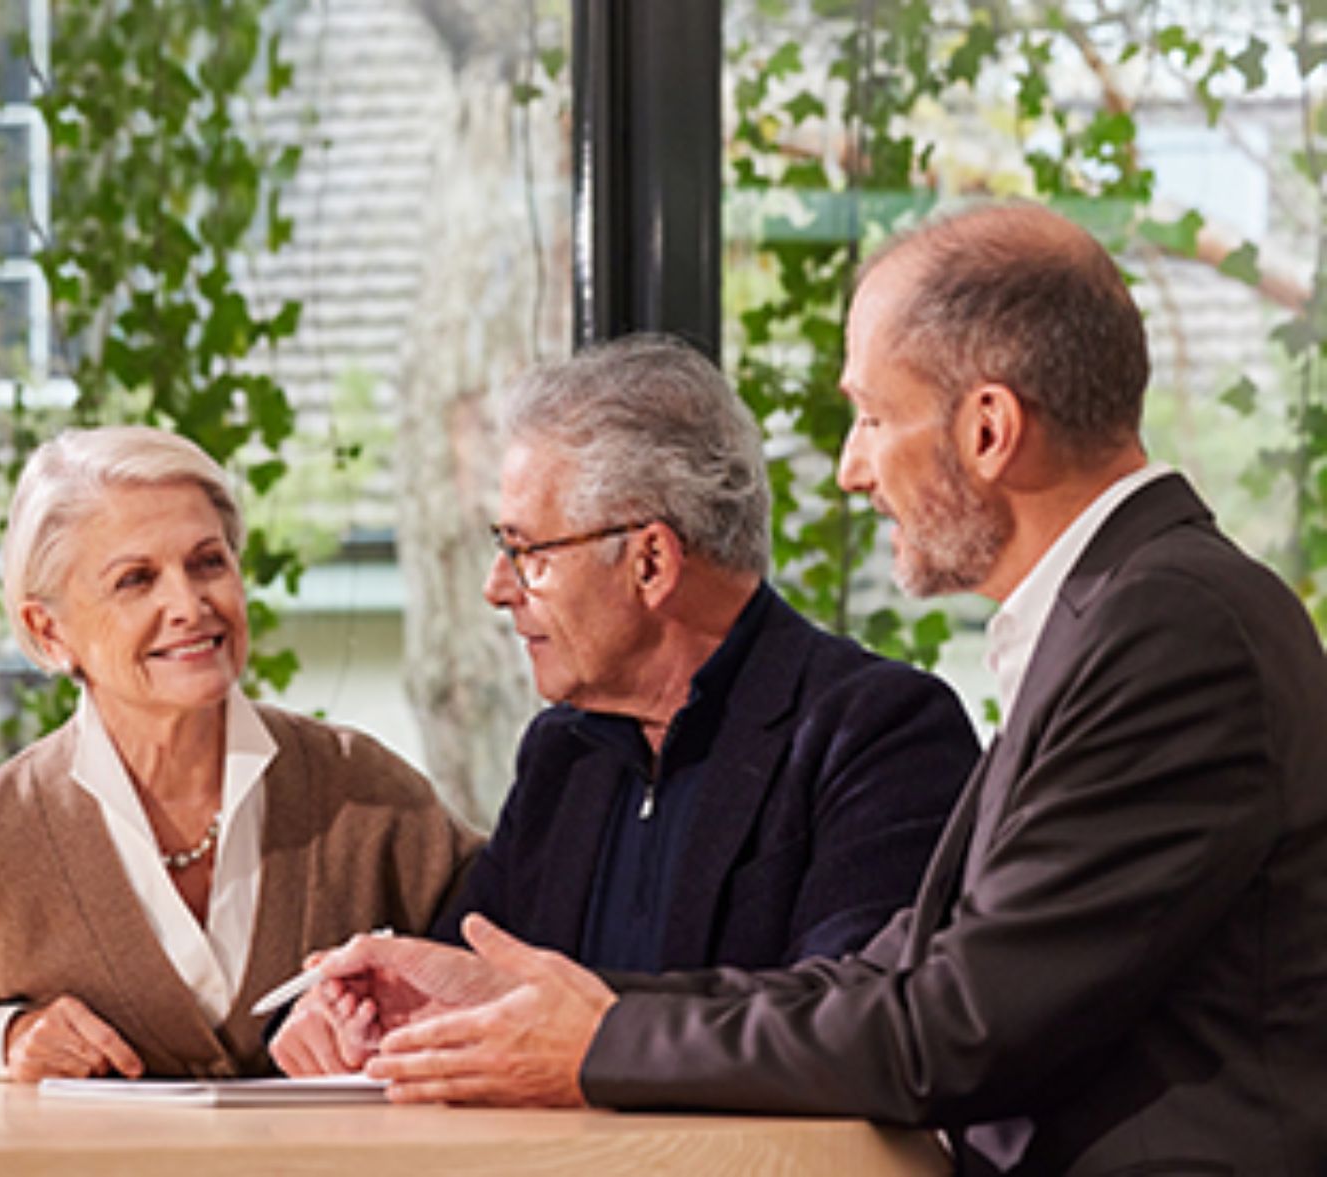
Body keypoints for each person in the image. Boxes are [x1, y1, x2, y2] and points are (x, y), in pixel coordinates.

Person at [293, 204, 1327, 1175]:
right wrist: (536, 1001)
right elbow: (889, 979)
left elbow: (957, 1031)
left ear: (988, 429)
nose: (849, 469)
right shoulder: (1123, 615)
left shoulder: (1169, 630)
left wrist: (600, 1038)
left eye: (874, 418)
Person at [268, 335, 978, 1076]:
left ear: (651, 561)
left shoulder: (879, 733)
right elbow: (466, 980)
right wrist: (372, 1013)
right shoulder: (561, 754)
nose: (497, 587)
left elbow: (851, 1027)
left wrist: (587, 1029)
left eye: (527, 552)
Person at [0, 425, 481, 1081]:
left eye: (207, 562)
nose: (189, 605)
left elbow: (507, 961)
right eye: (136, 579)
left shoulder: (366, 794)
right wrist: (5, 1038)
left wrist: (398, 1009)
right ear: (48, 632)